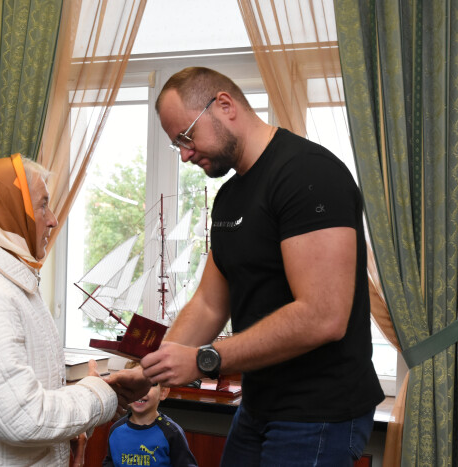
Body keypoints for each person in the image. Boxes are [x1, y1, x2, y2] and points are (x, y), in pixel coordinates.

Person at [141, 67, 384, 466]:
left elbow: (323, 316)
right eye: (176, 145)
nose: (184, 154)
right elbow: (208, 303)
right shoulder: (229, 197)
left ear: (224, 105)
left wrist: (206, 359)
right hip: (259, 405)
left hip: (320, 413)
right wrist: (158, 368)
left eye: (186, 136)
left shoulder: (309, 175)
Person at [0, 153, 150, 466]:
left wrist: (96, 396)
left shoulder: (10, 281)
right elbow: (22, 417)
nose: (52, 219)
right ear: (8, 210)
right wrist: (99, 395)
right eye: (43, 205)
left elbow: (31, 392)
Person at [103, 362, 197, 467]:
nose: (141, 391)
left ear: (163, 392)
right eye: (136, 383)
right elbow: (110, 462)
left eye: (150, 383)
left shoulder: (172, 432)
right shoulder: (116, 429)